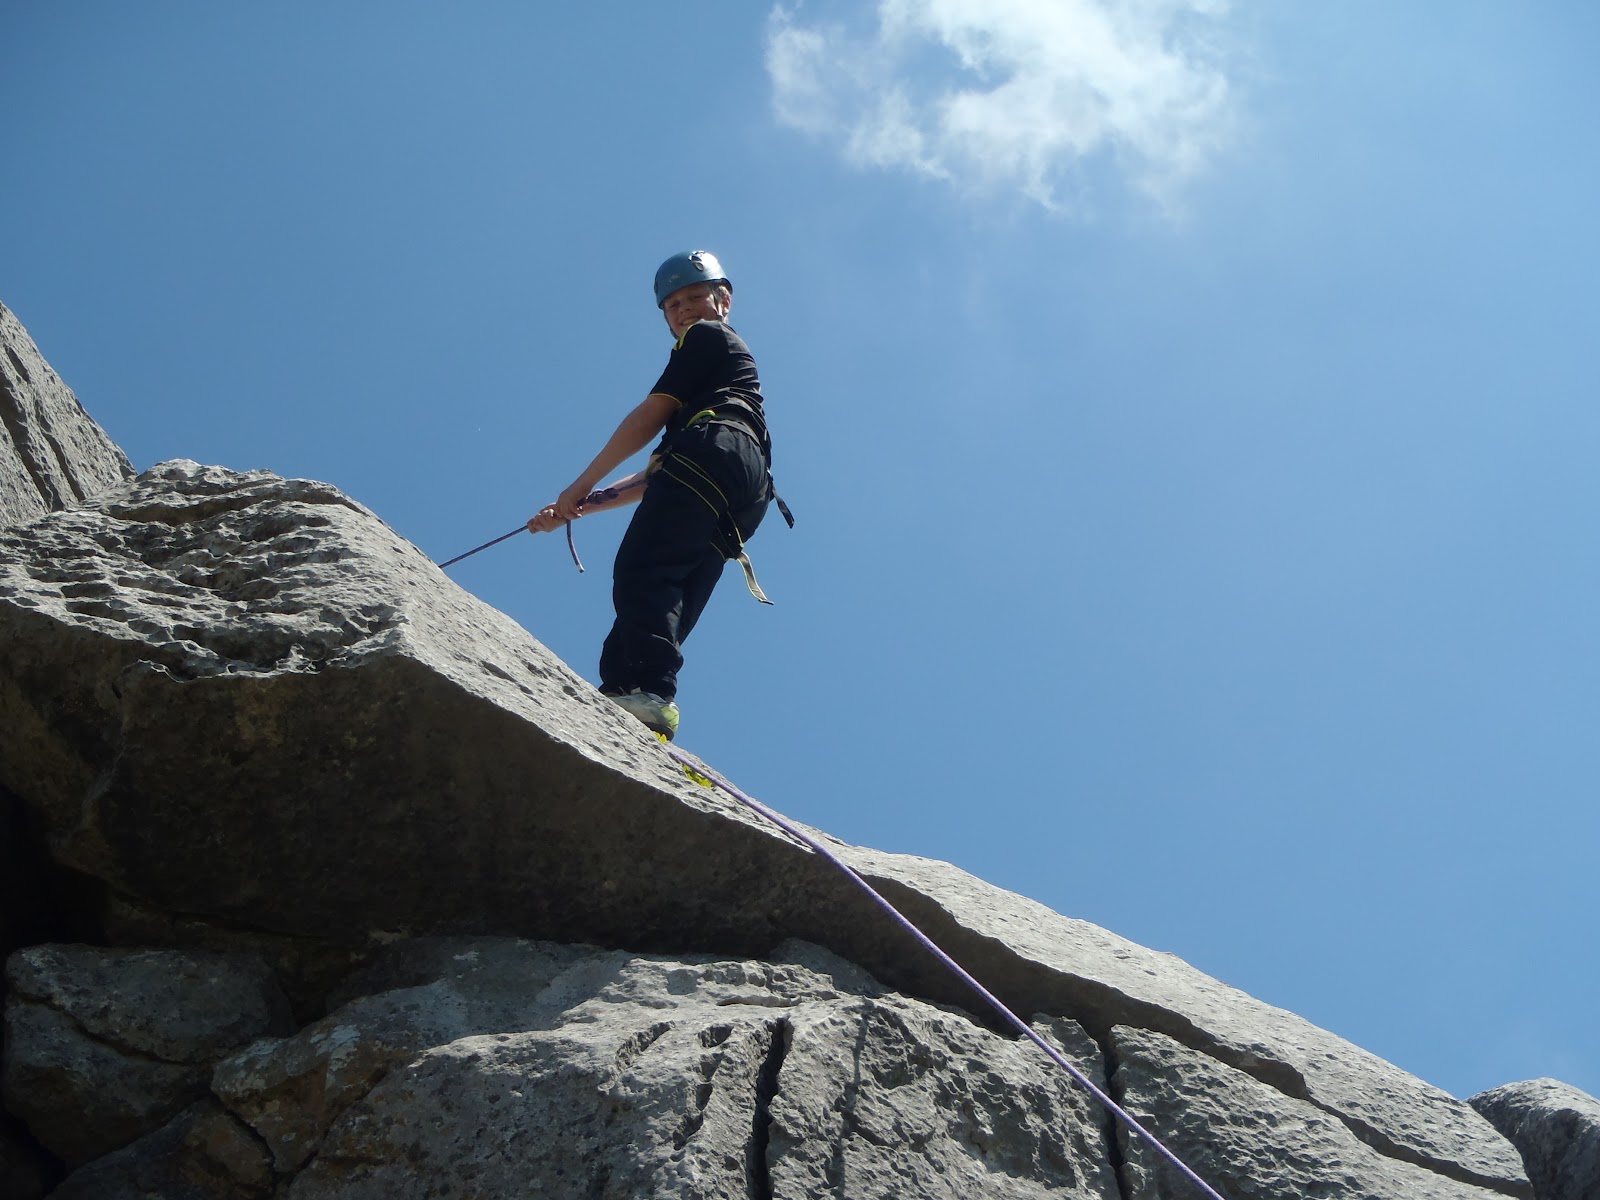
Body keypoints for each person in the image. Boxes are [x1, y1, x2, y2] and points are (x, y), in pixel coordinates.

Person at [527, 250, 784, 740]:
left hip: (713, 451)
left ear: (722, 299)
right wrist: (580, 506)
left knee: (643, 569)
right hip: (741, 485)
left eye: (692, 297)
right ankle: (642, 696)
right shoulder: (721, 374)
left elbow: (650, 417)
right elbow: (661, 481)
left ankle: (645, 688)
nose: (682, 310)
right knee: (670, 593)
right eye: (672, 305)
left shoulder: (704, 338)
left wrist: (578, 485)